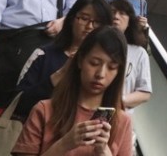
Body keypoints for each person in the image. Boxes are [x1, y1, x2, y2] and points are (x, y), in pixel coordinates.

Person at [12, 26, 134, 156]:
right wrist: (65, 144)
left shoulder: (122, 122)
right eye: (94, 63)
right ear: (80, 60)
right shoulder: (44, 110)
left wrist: (105, 152)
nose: (101, 74)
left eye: (112, 67)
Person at [16, 0, 113, 119]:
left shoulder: (107, 68)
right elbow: (17, 102)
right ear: (72, 19)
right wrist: (59, 76)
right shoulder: (44, 55)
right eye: (84, 18)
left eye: (97, 22)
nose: (89, 27)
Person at [109, 0, 151, 113]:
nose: (116, 16)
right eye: (112, 12)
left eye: (122, 13)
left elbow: (144, 92)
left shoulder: (139, 53)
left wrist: (119, 101)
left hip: (120, 117)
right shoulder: (93, 45)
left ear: (130, 21)